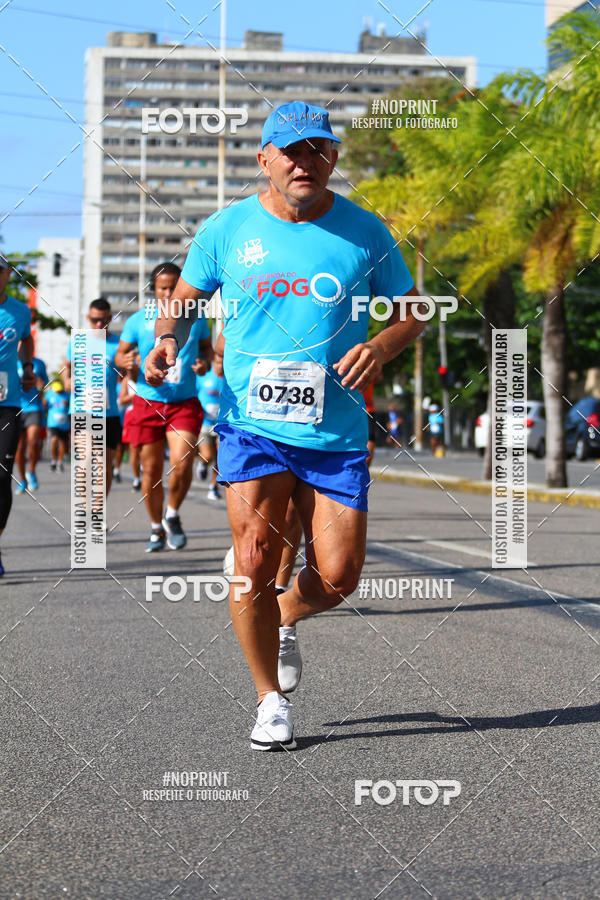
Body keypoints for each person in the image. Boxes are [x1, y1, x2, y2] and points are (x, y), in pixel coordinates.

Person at [145, 100, 424, 750]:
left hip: (335, 431)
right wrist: (167, 340)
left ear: (333, 157)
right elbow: (184, 306)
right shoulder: (226, 229)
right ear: (265, 158)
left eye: (318, 149)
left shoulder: (364, 232)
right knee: (252, 561)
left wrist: (381, 346)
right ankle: (269, 699)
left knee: (339, 575)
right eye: (292, 151)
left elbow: (413, 313)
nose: (306, 161)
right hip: (253, 423)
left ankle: (288, 612)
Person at [115, 262, 211, 551]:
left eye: (173, 287)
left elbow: (206, 348)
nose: (169, 293)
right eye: (163, 288)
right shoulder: (137, 320)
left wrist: (203, 362)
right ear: (153, 290)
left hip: (184, 403)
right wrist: (126, 362)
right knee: (151, 471)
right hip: (147, 402)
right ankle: (156, 527)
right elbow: (120, 356)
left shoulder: (197, 318)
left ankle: (172, 514)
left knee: (182, 462)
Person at [64, 298, 124, 498]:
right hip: (82, 410)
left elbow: (126, 374)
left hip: (109, 413)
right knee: (86, 460)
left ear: (110, 318)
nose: (99, 324)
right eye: (95, 320)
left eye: (104, 320)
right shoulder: (77, 341)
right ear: (88, 318)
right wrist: (67, 380)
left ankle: (98, 510)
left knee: (104, 466)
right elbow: (67, 366)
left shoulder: (118, 344)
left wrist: (126, 386)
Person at [0, 252, 36, 575]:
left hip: (7, 402)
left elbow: (26, 340)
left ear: (7, 274)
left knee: (2, 476)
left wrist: (27, 366)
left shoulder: (20, 311)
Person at [14, 354, 48, 493]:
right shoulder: (11, 361)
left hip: (34, 407)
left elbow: (45, 383)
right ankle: (22, 479)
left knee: (33, 443)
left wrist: (42, 385)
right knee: (19, 448)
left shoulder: (38, 363)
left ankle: (32, 472)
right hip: (16, 408)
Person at [196, 354, 224, 500]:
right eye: (218, 362)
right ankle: (202, 463)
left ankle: (213, 487)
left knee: (220, 458)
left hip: (221, 426)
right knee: (208, 456)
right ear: (213, 362)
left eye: (223, 363)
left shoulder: (228, 381)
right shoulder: (204, 378)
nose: (220, 366)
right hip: (204, 425)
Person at [118, 368, 141, 490]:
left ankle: (146, 473)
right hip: (132, 415)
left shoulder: (149, 373)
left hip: (148, 413)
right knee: (134, 449)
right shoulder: (126, 380)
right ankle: (137, 479)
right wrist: (136, 396)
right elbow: (122, 400)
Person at [46, 379, 70, 471]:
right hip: (53, 422)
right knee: (54, 439)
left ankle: (60, 461)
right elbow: (44, 403)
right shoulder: (49, 394)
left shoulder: (67, 394)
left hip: (64, 423)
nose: (58, 391)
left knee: (62, 442)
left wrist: (67, 404)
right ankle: (53, 460)